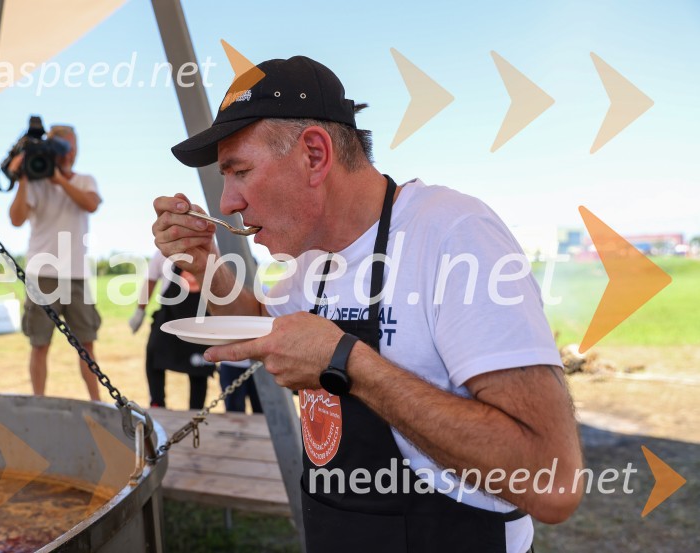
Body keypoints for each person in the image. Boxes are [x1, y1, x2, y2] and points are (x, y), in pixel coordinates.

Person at [152, 56, 583, 552]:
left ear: (315, 154)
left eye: (240, 171)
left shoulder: (453, 236)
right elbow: (265, 334)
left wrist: (346, 363)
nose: (227, 202)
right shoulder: (308, 259)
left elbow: (553, 485)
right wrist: (206, 265)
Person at [8, 124, 102, 401]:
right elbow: (16, 219)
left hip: (75, 275)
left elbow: (91, 204)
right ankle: (39, 400)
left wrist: (59, 180)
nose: (69, 152)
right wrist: (23, 177)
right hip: (42, 274)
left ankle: (98, 402)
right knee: (40, 345)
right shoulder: (35, 183)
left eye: (72, 146)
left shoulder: (85, 180)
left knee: (87, 345)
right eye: (63, 147)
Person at [129, 250, 213, 409]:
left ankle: (196, 410)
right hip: (169, 315)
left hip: (200, 318)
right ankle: (156, 403)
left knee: (199, 367)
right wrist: (140, 311)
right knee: (153, 354)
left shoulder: (208, 252)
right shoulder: (162, 253)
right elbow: (150, 281)